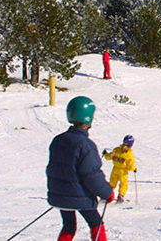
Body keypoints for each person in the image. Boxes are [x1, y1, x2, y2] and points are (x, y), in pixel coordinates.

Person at [47, 96, 114, 241]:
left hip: (59, 195)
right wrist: (107, 193)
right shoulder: (86, 145)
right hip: (80, 197)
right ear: (89, 118)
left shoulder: (58, 140)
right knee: (96, 223)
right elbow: (92, 175)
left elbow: (53, 169)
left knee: (69, 226)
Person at [102, 135, 137, 203]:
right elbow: (130, 165)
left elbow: (109, 157)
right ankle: (121, 195)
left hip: (115, 169)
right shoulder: (129, 154)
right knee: (123, 184)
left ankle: (108, 194)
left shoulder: (117, 149)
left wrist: (105, 154)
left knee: (112, 182)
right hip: (123, 171)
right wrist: (134, 169)